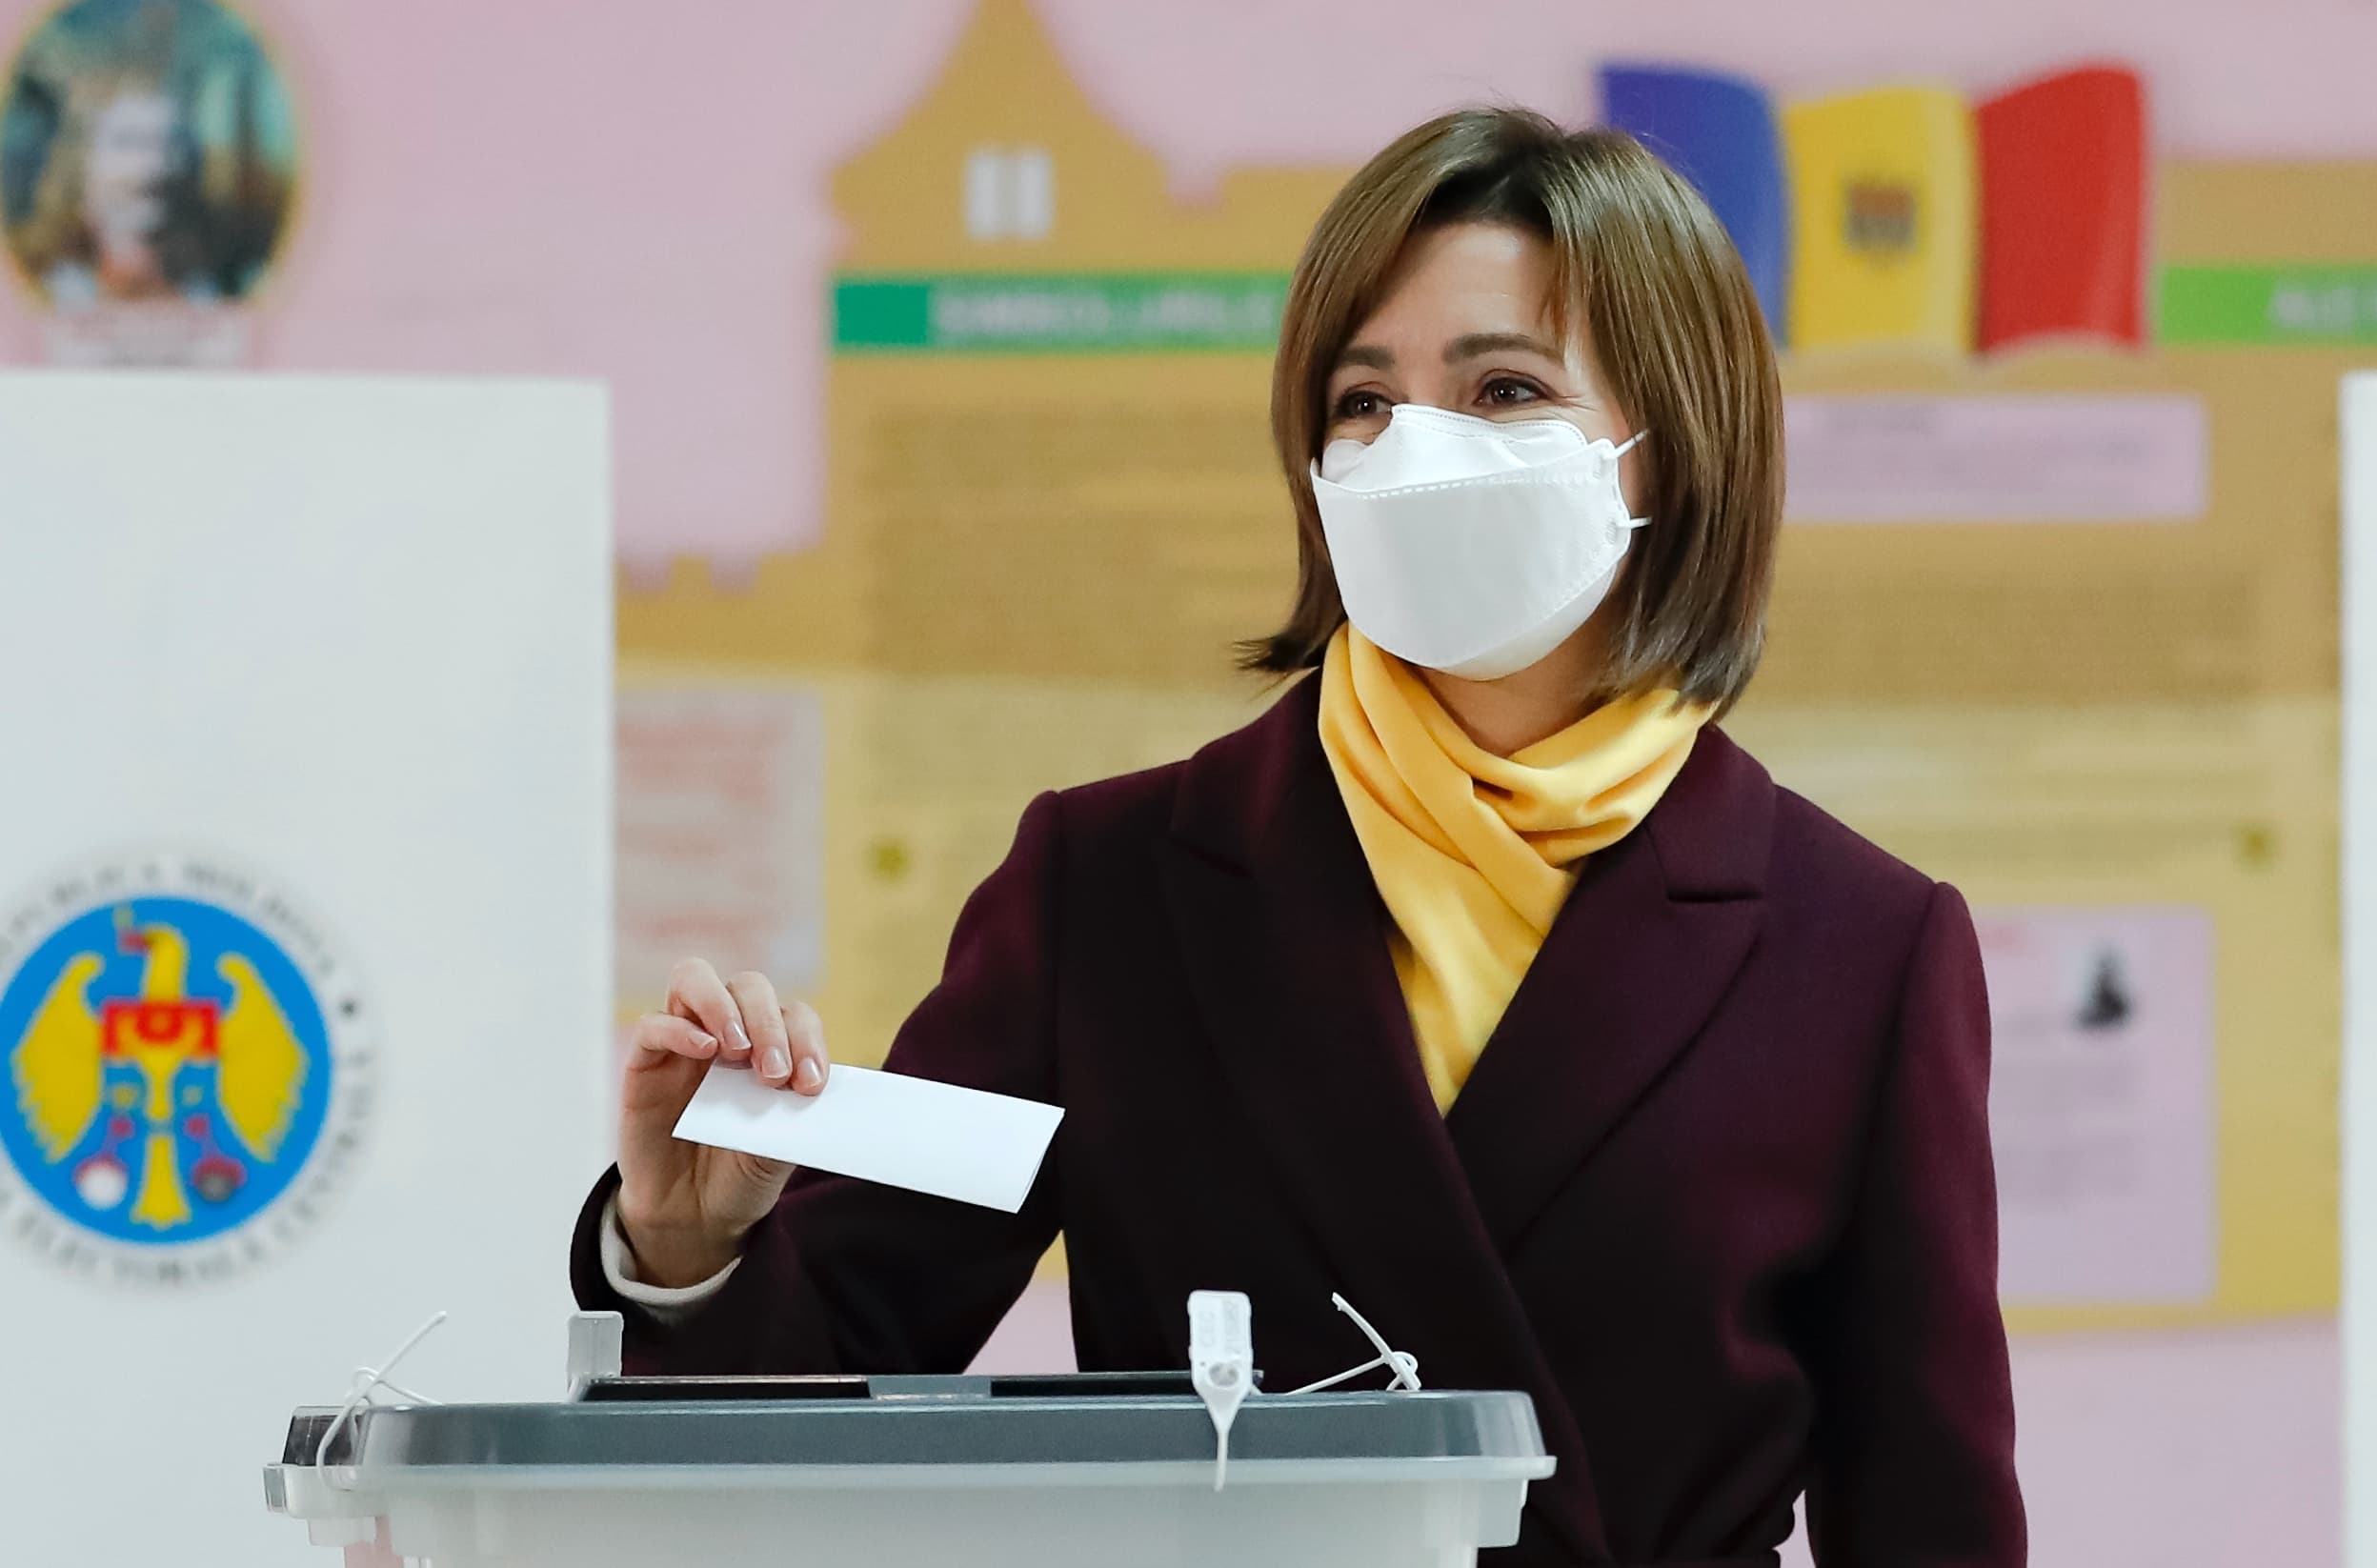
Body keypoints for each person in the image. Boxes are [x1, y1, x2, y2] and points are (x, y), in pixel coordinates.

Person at [577, 107, 2024, 1568]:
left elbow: (1931, 1518)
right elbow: (821, 1403)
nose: (1411, 452)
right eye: (1362, 400)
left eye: (1505, 387)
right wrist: (693, 1249)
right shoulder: (1114, 888)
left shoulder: (1862, 947)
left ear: (1671, 449)